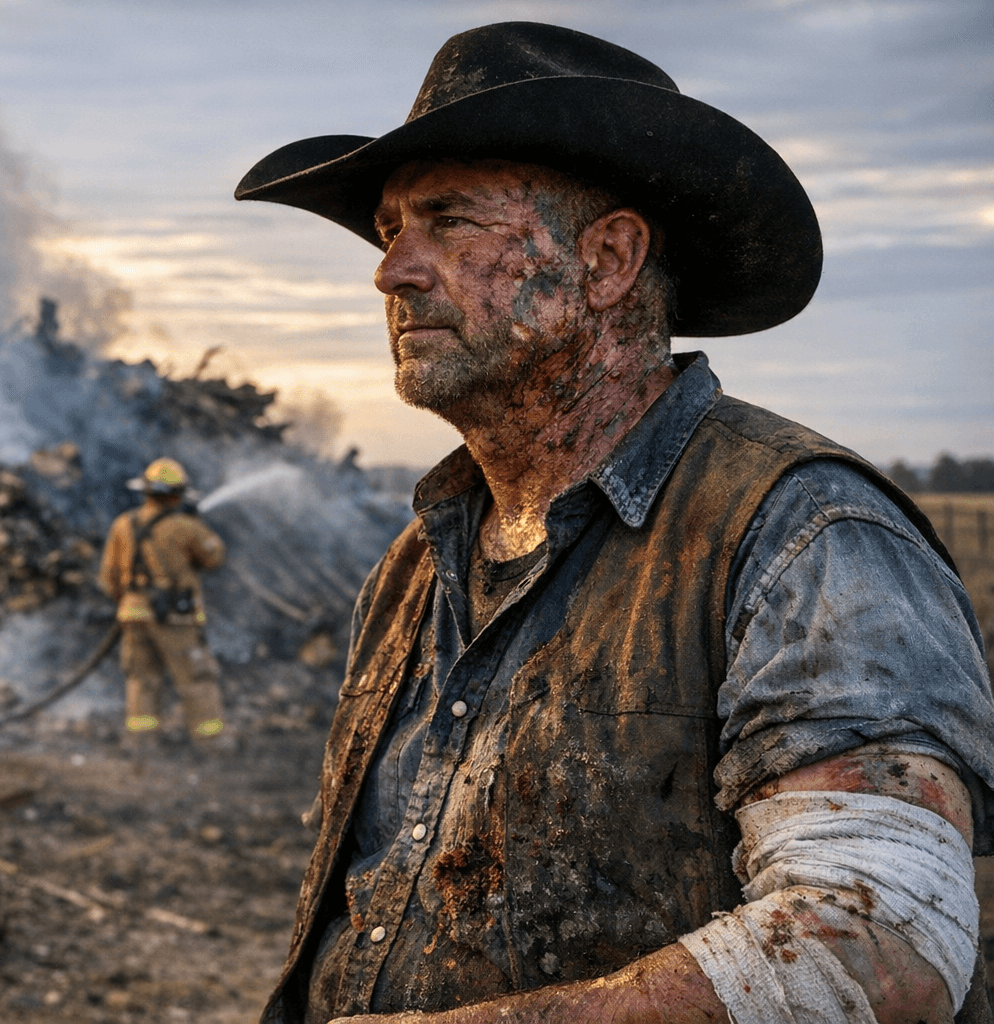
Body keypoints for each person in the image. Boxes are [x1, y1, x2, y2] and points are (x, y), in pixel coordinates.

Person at [234, 22, 994, 1024]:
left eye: (450, 222)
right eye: (389, 231)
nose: (394, 272)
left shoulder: (804, 537)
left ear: (608, 260)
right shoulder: (422, 561)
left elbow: (883, 943)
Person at [98, 457, 228, 749]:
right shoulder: (186, 526)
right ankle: (212, 742)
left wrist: (129, 600)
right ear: (177, 493)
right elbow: (214, 558)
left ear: (146, 491)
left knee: (141, 680)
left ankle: (142, 743)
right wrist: (197, 524)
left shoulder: (123, 524)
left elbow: (109, 577)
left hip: (132, 612)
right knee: (196, 678)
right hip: (174, 616)